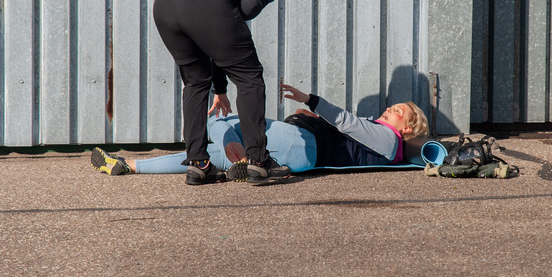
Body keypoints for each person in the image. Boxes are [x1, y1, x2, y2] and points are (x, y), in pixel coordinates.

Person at [151, 0, 289, 186]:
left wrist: (221, 88)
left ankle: (198, 164)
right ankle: (258, 162)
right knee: (250, 79)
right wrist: (225, 25)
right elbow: (246, 9)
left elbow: (213, 37)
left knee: (194, 82)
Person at [91, 83, 430, 180]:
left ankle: (232, 147)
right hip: (298, 159)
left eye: (399, 111)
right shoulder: (383, 140)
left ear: (408, 127)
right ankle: (128, 166)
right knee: (200, 158)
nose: (391, 109)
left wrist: (310, 100)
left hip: (302, 142)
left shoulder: (389, 139)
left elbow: (345, 122)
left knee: (220, 120)